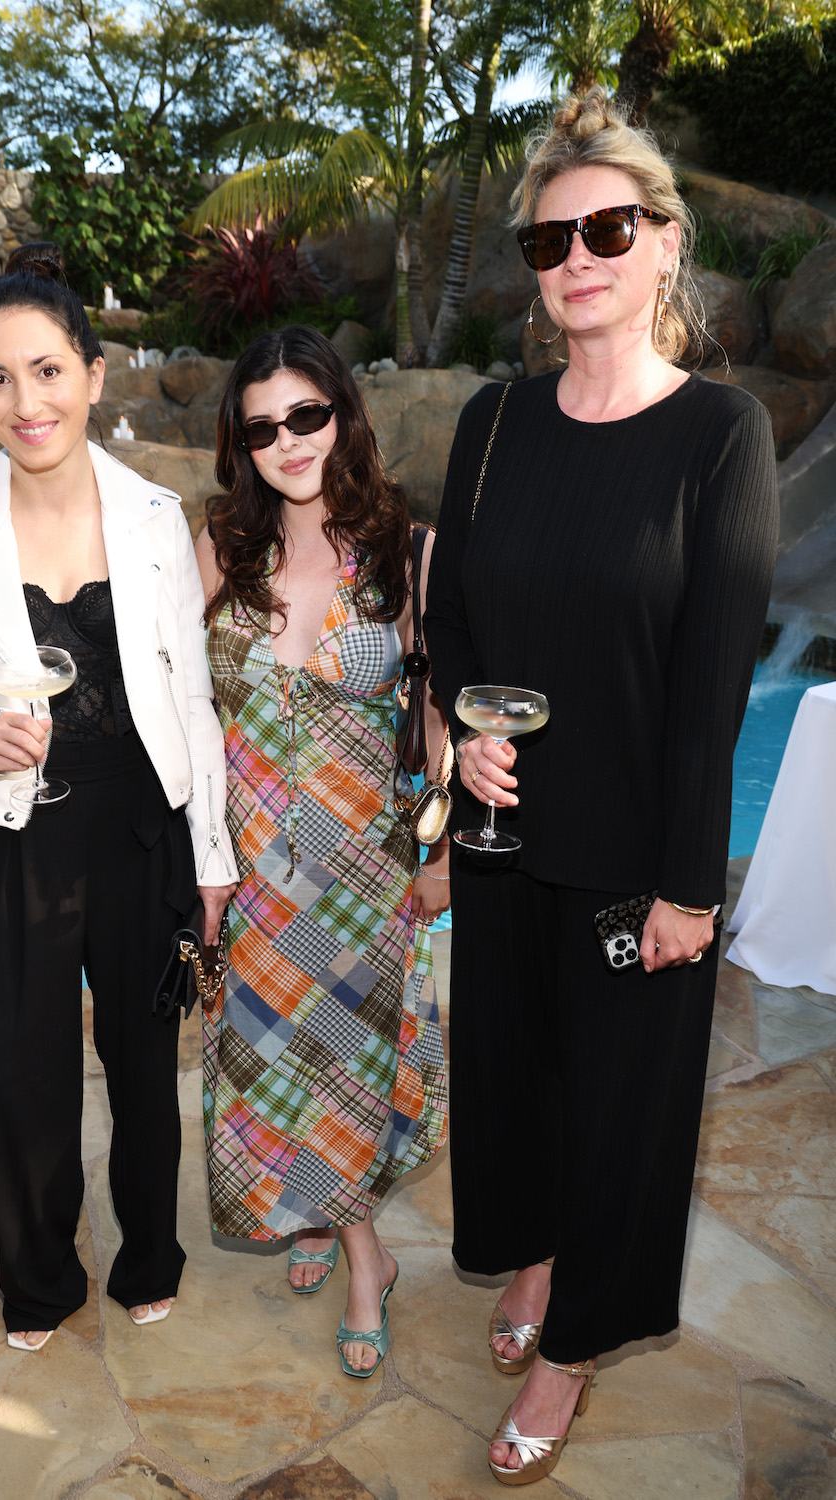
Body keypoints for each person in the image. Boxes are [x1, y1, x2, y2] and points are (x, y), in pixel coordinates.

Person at [425, 90, 778, 1485]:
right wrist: (460, 724)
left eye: (606, 228)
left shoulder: (721, 438)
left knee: (625, 1110)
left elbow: (714, 685)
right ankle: (536, 1259)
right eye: (547, 239)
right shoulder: (493, 423)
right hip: (510, 838)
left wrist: (695, 881)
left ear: (663, 239)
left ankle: (573, 1348)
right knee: (512, 1088)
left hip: (638, 852)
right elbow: (452, 619)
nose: (576, 257)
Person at [0, 242, 237, 1350]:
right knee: (17, 1071)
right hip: (15, 832)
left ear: (90, 372)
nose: (23, 401)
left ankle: (149, 1256)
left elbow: (192, 699)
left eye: (45, 370)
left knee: (143, 1070)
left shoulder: (152, 516)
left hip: (142, 831)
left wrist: (212, 860)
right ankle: (38, 1280)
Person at [196, 325, 450, 1377]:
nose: (288, 440)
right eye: (262, 426)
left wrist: (445, 857)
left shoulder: (408, 551)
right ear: (240, 443)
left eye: (306, 414)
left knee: (345, 1068)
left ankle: (362, 1261)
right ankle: (319, 1216)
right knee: (272, 1065)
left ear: (342, 413)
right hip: (257, 867)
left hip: (360, 868)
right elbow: (174, 707)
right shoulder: (223, 549)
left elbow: (437, 719)